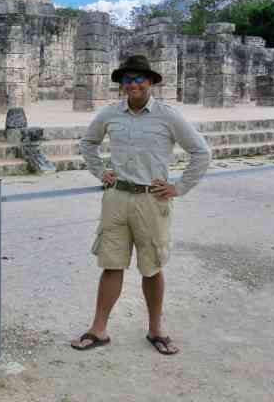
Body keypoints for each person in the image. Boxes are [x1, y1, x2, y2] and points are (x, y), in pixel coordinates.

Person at [71, 55, 211, 355]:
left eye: (139, 79)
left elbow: (201, 152)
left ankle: (156, 329)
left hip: (151, 199)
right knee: (111, 264)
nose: (133, 85)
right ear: (121, 85)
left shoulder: (167, 116)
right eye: (127, 80)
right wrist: (99, 171)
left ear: (150, 82)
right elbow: (87, 143)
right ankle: (98, 329)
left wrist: (179, 187)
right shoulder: (110, 114)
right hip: (117, 197)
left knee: (152, 267)